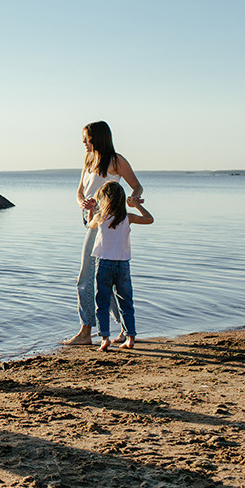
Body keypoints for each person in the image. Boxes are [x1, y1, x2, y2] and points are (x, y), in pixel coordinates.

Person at [63, 121, 144, 346]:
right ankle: (123, 329)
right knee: (104, 275)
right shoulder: (88, 159)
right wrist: (84, 202)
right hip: (89, 217)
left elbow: (137, 186)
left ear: (98, 138)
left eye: (87, 138)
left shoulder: (116, 161)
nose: (83, 143)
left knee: (86, 276)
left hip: (105, 220)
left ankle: (86, 331)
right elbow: (80, 192)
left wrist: (133, 200)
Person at [86, 181, 154, 351]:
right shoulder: (127, 217)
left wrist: (90, 210)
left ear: (104, 200)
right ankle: (130, 337)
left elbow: (89, 225)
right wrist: (136, 204)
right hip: (123, 264)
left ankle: (105, 338)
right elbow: (149, 219)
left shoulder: (100, 217)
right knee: (126, 301)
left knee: (102, 301)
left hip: (104, 264)